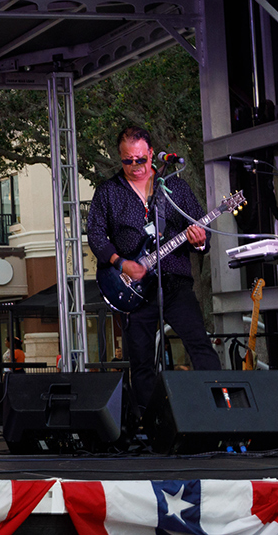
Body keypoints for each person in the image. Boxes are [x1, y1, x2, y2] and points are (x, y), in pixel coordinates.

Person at [86, 125, 220, 429]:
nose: (135, 167)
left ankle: (216, 411)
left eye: (140, 160)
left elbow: (202, 236)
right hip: (133, 287)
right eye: (127, 161)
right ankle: (150, 423)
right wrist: (121, 263)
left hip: (174, 280)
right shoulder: (109, 192)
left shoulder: (175, 188)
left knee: (199, 345)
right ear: (119, 158)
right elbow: (95, 234)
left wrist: (199, 240)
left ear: (151, 155)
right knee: (142, 358)